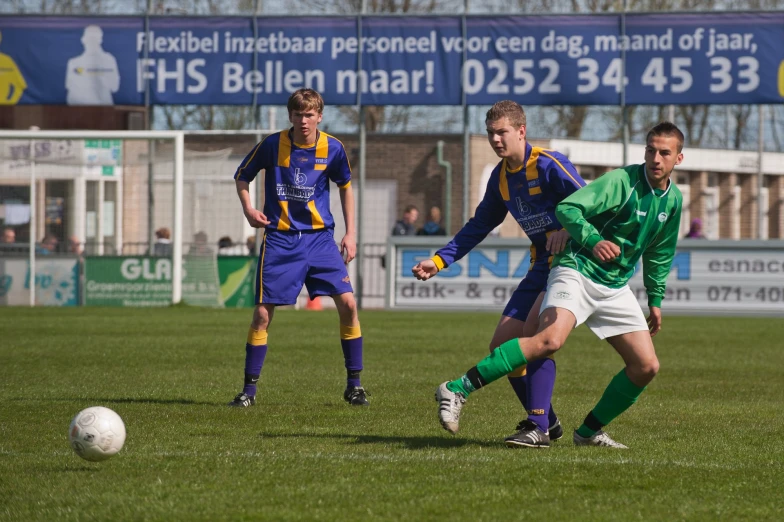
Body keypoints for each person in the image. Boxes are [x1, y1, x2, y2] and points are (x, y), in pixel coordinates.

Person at [435, 122, 685, 449]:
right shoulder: (622, 181)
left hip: (614, 284)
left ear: (678, 158)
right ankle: (459, 388)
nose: (655, 158)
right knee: (548, 339)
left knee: (646, 366)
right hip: (577, 268)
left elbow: (660, 251)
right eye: (650, 150)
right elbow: (569, 207)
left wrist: (655, 298)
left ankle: (588, 432)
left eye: (664, 153)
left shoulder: (673, 200)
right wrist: (593, 240)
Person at [414, 100, 586, 448]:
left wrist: (568, 229)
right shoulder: (501, 178)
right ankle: (547, 421)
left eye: (502, 132)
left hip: (572, 263)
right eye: (491, 133)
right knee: (503, 347)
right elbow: (479, 225)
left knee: (538, 339)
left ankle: (536, 424)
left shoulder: (550, 165)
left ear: (521, 131)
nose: (495, 139)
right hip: (541, 264)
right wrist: (440, 260)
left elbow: (594, 202)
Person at [229, 88, 368, 408]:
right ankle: (248, 392)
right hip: (280, 239)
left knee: (348, 305)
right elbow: (241, 177)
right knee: (262, 314)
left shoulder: (333, 148)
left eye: (310, 115)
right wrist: (248, 210)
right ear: (290, 116)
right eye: (298, 114)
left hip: (320, 239)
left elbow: (346, 188)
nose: (304, 121)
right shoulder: (271, 144)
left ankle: (355, 385)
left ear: (320, 116)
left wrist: (351, 233)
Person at [65, 25, 120, 105]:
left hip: (104, 110)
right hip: (79, 110)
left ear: (100, 40)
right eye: (90, 38)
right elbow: (70, 92)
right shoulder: (74, 63)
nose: (91, 42)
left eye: (94, 39)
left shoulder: (109, 60)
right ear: (83, 40)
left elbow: (114, 87)